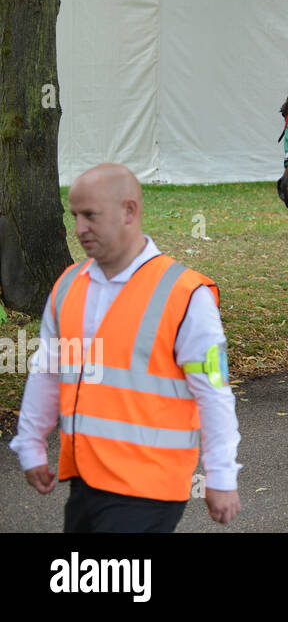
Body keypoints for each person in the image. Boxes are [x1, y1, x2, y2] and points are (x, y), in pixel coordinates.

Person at [9, 164, 241, 531]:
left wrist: (221, 476)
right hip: (85, 478)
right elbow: (48, 371)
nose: (79, 228)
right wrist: (30, 444)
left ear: (130, 211)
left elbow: (214, 394)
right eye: (74, 216)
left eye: (90, 215)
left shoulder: (185, 296)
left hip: (149, 486)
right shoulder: (69, 286)